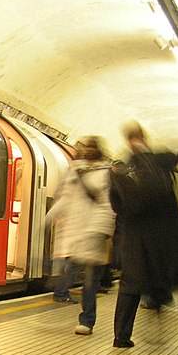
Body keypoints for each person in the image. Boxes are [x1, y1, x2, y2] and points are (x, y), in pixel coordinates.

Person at [109, 121, 178, 348]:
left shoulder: (122, 169)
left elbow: (116, 204)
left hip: (133, 238)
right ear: (143, 137)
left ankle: (121, 337)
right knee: (158, 278)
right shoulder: (159, 162)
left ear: (127, 140)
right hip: (160, 237)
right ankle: (157, 313)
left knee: (129, 286)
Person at [51, 136, 116, 334]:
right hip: (76, 234)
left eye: (91, 147)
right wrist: (48, 218)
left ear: (98, 151)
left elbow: (107, 206)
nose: (87, 150)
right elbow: (65, 198)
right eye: (86, 147)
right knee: (73, 271)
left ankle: (87, 320)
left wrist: (99, 231)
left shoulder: (106, 174)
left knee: (89, 283)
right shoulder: (75, 171)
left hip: (93, 236)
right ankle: (64, 296)